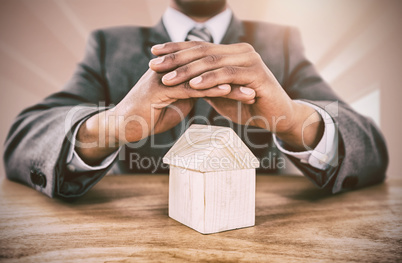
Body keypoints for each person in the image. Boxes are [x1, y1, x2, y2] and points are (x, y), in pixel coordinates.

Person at [3, 0, 388, 199]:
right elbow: (23, 139)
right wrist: (111, 124)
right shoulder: (109, 45)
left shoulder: (281, 44)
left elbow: (368, 145)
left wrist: (291, 120)